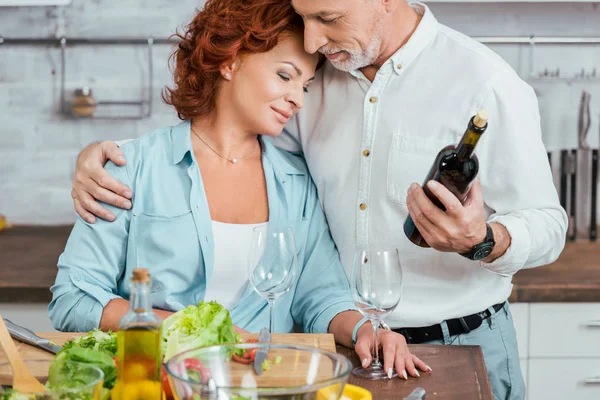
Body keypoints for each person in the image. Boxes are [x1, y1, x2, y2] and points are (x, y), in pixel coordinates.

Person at [70, 0, 568, 398]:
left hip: (461, 340)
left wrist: (481, 240)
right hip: (349, 351)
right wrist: (100, 156)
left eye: (326, 18)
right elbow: (224, 143)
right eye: (304, 20)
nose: (312, 39)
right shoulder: (322, 68)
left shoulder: (486, 82)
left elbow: (547, 224)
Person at [49, 0, 430, 380]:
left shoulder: (296, 182)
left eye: (306, 86)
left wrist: (367, 330)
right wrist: (199, 334)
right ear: (229, 62)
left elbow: (321, 296)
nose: (297, 98)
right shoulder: (132, 168)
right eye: (285, 76)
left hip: (259, 385)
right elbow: (74, 299)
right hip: (151, 383)